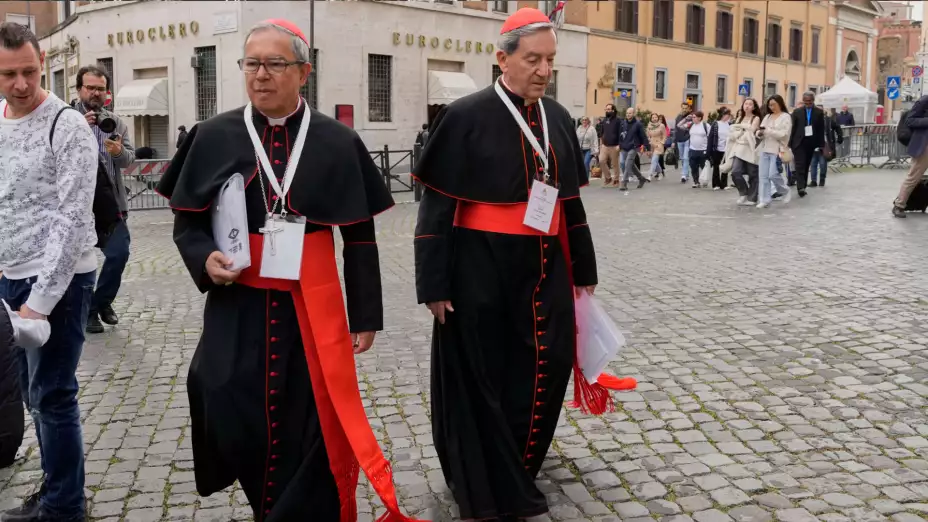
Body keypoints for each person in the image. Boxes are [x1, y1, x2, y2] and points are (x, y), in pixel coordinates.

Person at [154, 19, 413, 521]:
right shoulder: (212, 135)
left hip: (311, 308)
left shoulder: (336, 140)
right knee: (222, 396)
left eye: (275, 64)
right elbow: (187, 224)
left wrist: (365, 314)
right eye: (252, 63)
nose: (261, 75)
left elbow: (360, 238)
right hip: (237, 301)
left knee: (311, 417)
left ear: (303, 72)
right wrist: (203, 259)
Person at [411, 8, 608, 519]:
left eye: (549, 60)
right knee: (484, 375)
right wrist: (434, 283)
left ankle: (519, 461)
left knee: (541, 366)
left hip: (545, 265)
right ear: (502, 58)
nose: (543, 70)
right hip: (479, 267)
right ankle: (483, 475)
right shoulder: (464, 116)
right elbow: (436, 208)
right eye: (532, 59)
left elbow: (570, 204)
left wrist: (583, 275)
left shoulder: (559, 118)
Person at [0, 22, 99, 522]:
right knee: (31, 393)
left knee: (53, 393)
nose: (20, 84)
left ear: (43, 65)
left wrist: (40, 299)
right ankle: (56, 487)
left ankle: (64, 505)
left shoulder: (69, 126)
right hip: (8, 277)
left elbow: (72, 216)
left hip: (61, 280)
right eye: (8, 74)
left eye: (30, 72)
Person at [75, 65, 136, 334]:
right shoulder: (65, 118)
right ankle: (88, 313)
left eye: (101, 88)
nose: (96, 93)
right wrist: (78, 129)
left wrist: (119, 151)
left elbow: (129, 160)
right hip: (78, 206)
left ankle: (99, 303)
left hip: (112, 205)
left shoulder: (116, 122)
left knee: (119, 254)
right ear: (79, 90)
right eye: (90, 87)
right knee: (81, 263)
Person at [892, 94, 928, 218]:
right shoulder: (924, 100)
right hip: (925, 145)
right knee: (913, 176)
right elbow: (910, 120)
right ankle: (899, 205)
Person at [756, 95, 793, 208]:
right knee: (763, 176)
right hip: (765, 148)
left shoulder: (785, 117)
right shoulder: (767, 116)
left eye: (773, 104)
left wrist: (769, 131)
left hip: (778, 150)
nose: (771, 107)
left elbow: (784, 134)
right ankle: (764, 199)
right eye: (770, 105)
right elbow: (760, 131)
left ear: (780, 103)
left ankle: (784, 190)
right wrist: (760, 133)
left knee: (773, 174)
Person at [788, 91, 826, 198]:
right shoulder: (797, 112)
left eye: (809, 101)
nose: (808, 103)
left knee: (806, 165)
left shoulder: (818, 112)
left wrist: (820, 144)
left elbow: (820, 130)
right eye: (805, 101)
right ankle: (800, 187)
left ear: (813, 100)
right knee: (799, 164)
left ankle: (803, 184)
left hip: (811, 142)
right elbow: (792, 128)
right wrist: (790, 143)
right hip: (798, 142)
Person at [728, 98, 762, 206]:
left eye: (750, 104)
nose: (747, 106)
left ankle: (752, 198)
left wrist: (739, 128)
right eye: (745, 104)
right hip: (739, 147)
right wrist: (739, 129)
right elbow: (733, 132)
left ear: (754, 107)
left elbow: (751, 130)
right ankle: (743, 193)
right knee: (735, 171)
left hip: (750, 148)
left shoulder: (755, 118)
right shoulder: (739, 118)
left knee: (753, 173)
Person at [810, 106, 842, 188]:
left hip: (824, 145)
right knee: (813, 163)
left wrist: (839, 137)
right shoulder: (811, 119)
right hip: (813, 145)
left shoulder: (828, 120)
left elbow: (838, 127)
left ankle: (822, 179)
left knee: (822, 163)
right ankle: (813, 181)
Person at [618, 107, 649, 191]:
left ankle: (624, 182)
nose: (628, 115)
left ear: (634, 114)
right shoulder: (623, 123)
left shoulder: (638, 124)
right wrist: (620, 144)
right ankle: (641, 178)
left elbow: (643, 136)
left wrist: (646, 146)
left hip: (634, 146)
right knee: (627, 164)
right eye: (627, 113)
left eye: (630, 113)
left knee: (628, 163)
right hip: (624, 146)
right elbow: (620, 135)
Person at [708, 107, 732, 190]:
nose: (728, 116)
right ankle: (716, 184)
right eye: (727, 115)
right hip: (717, 148)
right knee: (716, 166)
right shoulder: (716, 124)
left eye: (729, 115)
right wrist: (709, 150)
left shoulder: (729, 124)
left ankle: (724, 184)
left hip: (726, 149)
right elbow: (710, 138)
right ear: (722, 115)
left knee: (726, 166)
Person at [685, 110, 710, 188]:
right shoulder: (691, 125)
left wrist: (709, 150)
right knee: (693, 166)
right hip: (692, 150)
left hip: (703, 150)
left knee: (703, 166)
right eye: (692, 117)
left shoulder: (706, 126)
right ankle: (696, 182)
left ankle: (705, 180)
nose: (693, 118)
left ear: (699, 118)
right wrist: (686, 118)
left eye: (694, 117)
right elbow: (679, 126)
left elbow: (710, 137)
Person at [598, 103, 621, 186]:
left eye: (608, 109)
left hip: (615, 146)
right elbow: (601, 132)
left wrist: (619, 145)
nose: (607, 110)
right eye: (606, 109)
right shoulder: (604, 120)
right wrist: (601, 144)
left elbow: (620, 133)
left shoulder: (618, 120)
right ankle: (608, 178)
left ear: (613, 110)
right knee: (601, 160)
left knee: (614, 164)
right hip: (605, 145)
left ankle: (616, 180)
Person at [673, 102, 694, 182]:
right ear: (681, 108)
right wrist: (674, 141)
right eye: (683, 108)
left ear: (688, 108)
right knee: (682, 158)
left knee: (686, 157)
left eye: (686, 108)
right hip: (679, 139)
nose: (684, 109)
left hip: (687, 139)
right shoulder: (678, 117)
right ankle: (686, 174)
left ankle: (684, 175)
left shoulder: (691, 117)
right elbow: (676, 129)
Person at [646, 113, 666, 180]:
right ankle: (660, 172)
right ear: (651, 119)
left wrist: (662, 143)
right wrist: (649, 141)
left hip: (658, 145)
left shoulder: (661, 125)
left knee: (654, 160)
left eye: (656, 117)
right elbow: (648, 135)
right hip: (651, 144)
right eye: (653, 117)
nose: (654, 119)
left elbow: (664, 136)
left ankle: (650, 175)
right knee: (654, 161)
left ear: (657, 118)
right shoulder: (649, 126)